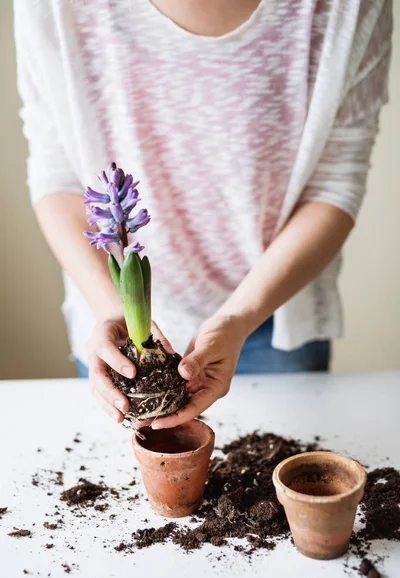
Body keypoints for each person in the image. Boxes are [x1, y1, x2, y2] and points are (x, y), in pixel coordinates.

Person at [14, 0, 392, 428]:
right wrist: (110, 310)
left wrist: (238, 318)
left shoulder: (350, 7)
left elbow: (335, 184)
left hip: (273, 318)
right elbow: (56, 175)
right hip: (113, 333)